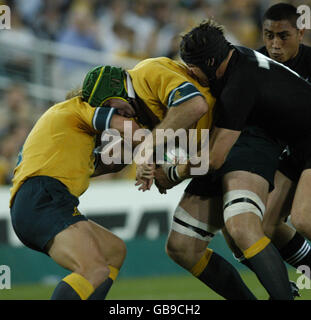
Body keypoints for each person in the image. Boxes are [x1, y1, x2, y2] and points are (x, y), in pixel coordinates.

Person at [155, 17, 311, 300]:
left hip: (302, 141)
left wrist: (173, 172)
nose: (193, 75)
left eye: (195, 69)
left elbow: (214, 159)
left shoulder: (240, 83)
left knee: (302, 218)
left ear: (213, 62)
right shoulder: (235, 62)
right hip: (290, 142)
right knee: (260, 227)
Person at [84, 59, 257, 300]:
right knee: (184, 247)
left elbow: (194, 106)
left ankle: (279, 286)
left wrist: (159, 162)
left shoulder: (148, 73)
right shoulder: (135, 110)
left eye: (111, 107)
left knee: (251, 230)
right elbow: (127, 152)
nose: (116, 116)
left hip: (234, 143)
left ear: (118, 88)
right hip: (211, 156)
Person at [9, 66, 140, 300]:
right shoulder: (78, 109)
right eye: (123, 107)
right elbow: (128, 129)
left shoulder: (74, 134)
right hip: (43, 197)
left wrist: (130, 154)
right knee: (93, 269)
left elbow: (105, 164)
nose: (128, 113)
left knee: (113, 251)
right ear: (106, 102)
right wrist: (157, 153)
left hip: (40, 201)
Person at [224, 2, 311, 274]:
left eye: (283, 36)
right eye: (269, 35)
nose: (275, 43)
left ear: (300, 33)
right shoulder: (254, 67)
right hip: (290, 153)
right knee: (266, 226)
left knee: (303, 219)